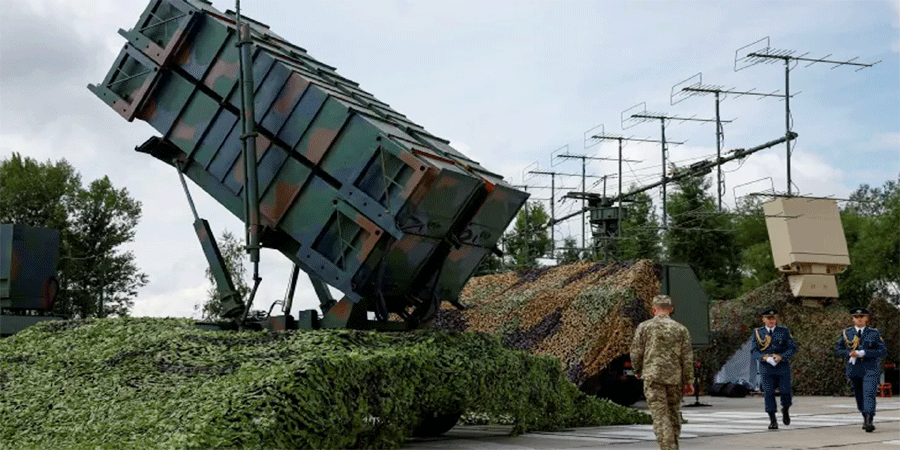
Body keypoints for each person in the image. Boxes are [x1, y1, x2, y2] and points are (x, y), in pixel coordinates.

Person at [630, 295, 694, 450]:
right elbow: (687, 357)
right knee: (673, 414)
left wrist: (637, 370)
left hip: (653, 377)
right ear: (671, 309)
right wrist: (688, 381)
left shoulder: (644, 327)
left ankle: (668, 448)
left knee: (660, 416)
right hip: (675, 378)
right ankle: (673, 446)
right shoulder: (681, 329)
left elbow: (636, 352)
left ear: (653, 309)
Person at [835, 306, 888, 432]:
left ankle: (869, 419)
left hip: (870, 367)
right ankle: (864, 415)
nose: (859, 319)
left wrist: (864, 352)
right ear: (853, 319)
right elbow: (838, 349)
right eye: (856, 317)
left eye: (861, 317)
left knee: (869, 393)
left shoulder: (874, 333)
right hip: (855, 368)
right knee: (859, 395)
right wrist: (849, 353)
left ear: (866, 319)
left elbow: (882, 350)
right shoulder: (847, 333)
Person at [749, 307, 797, 430]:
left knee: (785, 391)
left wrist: (782, 357)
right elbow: (754, 351)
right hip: (767, 367)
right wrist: (764, 358)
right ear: (763, 319)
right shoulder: (758, 333)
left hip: (781, 366)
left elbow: (792, 348)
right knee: (768, 392)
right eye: (768, 319)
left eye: (773, 318)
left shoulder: (784, 331)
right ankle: (772, 419)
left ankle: (785, 408)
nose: (771, 321)